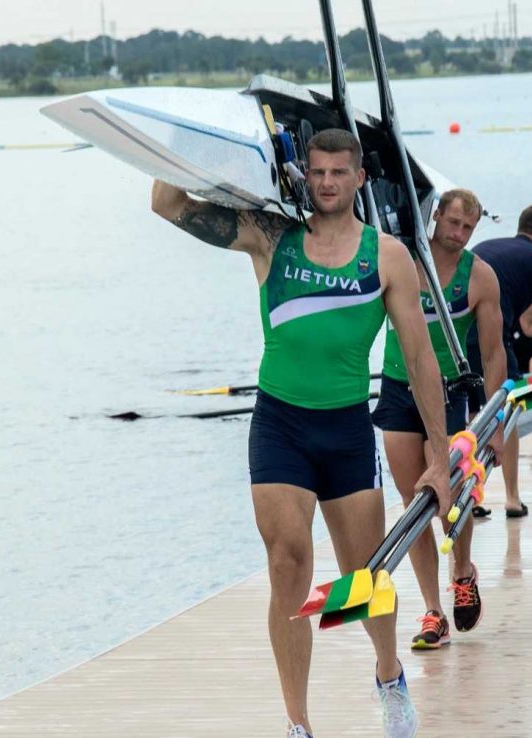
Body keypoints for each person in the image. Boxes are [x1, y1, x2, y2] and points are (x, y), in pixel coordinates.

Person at [152, 129, 451, 738]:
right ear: (303, 175)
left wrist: (439, 458)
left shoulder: (388, 255)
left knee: (363, 578)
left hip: (345, 430)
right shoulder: (271, 237)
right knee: (287, 562)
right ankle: (298, 724)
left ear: (359, 178)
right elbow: (167, 203)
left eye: (340, 172)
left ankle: (389, 674)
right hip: (280, 424)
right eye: (317, 172)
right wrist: (197, 143)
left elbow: (420, 361)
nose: (327, 183)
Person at [372, 189, 506, 650]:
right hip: (396, 387)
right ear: (435, 218)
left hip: (448, 392)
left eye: (468, 228)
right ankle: (432, 610)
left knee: (447, 499)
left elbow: (492, 353)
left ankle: (463, 571)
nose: (458, 234)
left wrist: (497, 424)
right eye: (452, 223)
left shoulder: (480, 278)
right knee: (413, 502)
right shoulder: (402, 260)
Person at [467, 205, 532, 518]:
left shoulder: (486, 248)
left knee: (469, 417)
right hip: (491, 341)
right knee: (507, 415)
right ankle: (511, 497)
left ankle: (469, 497)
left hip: (456, 338)